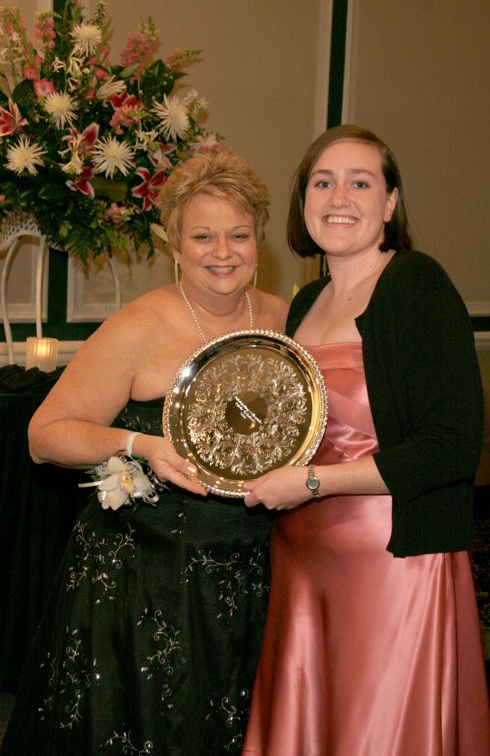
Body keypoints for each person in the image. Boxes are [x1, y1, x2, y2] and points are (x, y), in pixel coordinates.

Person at [0, 148, 288, 756]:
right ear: (175, 247)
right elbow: (44, 434)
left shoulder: (285, 321)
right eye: (202, 236)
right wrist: (141, 444)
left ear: (258, 238)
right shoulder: (139, 325)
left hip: (255, 570)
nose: (222, 251)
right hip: (147, 579)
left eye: (238, 234)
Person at [241, 125, 490, 756]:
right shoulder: (305, 303)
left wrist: (314, 482)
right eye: (323, 182)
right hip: (303, 560)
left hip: (391, 561)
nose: (339, 197)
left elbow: (451, 446)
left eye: (361, 183)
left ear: (389, 204)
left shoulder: (416, 286)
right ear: (304, 202)